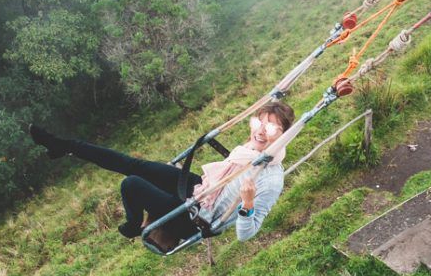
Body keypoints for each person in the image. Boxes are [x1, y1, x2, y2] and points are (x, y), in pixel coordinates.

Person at [29, 101, 294, 247]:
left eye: (272, 128)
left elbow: (247, 233)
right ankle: (64, 146)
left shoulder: (271, 179)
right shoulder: (253, 147)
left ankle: (134, 226)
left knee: (131, 185)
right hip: (200, 190)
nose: (261, 131)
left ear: (283, 136)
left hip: (196, 218)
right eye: (259, 123)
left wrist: (247, 204)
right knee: (134, 165)